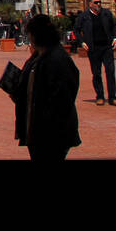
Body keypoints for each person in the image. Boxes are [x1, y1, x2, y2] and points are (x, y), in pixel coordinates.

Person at [12, 15, 82, 160]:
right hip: (36, 129)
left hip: (51, 132)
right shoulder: (38, 56)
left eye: (30, 34)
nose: (29, 38)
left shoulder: (57, 58)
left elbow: (62, 98)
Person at [76, 0, 116, 105]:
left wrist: (115, 37)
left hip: (106, 47)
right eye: (96, 3)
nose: (98, 4)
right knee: (96, 73)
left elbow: (114, 26)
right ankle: (100, 96)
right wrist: (82, 42)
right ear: (90, 4)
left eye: (100, 2)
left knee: (110, 71)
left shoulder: (106, 14)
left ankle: (112, 97)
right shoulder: (84, 16)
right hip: (93, 48)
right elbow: (76, 30)